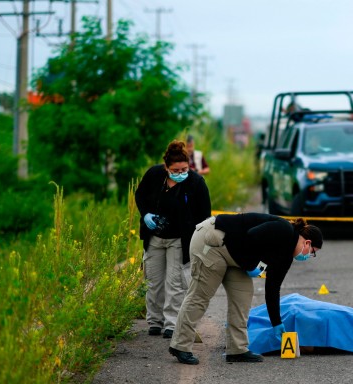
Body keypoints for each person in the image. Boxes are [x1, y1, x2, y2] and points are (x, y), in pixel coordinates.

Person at [168, 213, 323, 365]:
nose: (309, 256)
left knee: (243, 294)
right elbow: (251, 235)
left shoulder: (286, 257)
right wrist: (252, 265)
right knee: (200, 295)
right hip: (213, 241)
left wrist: (276, 323)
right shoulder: (284, 230)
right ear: (307, 243)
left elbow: (273, 287)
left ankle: (237, 349)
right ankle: (180, 345)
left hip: (235, 253)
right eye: (312, 252)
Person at [135, 140, 212, 339]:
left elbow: (205, 214)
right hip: (155, 237)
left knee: (176, 283)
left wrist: (200, 242)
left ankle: (171, 324)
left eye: (184, 169)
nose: (180, 173)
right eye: (175, 170)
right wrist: (145, 215)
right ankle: (154, 321)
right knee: (153, 282)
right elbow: (140, 195)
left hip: (180, 239)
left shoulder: (195, 182)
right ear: (166, 167)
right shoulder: (154, 175)